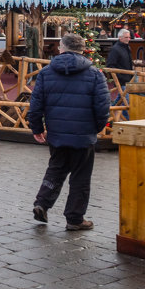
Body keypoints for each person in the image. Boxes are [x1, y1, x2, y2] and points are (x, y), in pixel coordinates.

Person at [28, 33, 110, 231]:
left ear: (61, 48)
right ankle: (74, 218)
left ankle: (42, 203)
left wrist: (37, 128)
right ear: (83, 49)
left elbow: (36, 104)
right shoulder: (95, 74)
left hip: (56, 133)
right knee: (80, 177)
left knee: (56, 169)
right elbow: (102, 107)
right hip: (83, 135)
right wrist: (95, 128)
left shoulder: (46, 73)